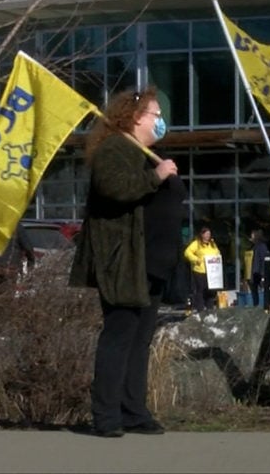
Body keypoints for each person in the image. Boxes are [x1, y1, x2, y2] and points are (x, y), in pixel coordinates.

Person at [68, 86, 179, 438]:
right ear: (135, 117)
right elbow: (115, 188)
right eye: (156, 115)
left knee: (140, 339)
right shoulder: (115, 148)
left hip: (151, 262)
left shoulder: (143, 151)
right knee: (120, 336)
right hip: (125, 261)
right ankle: (106, 415)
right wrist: (156, 176)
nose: (161, 121)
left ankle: (133, 411)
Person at [0, 223, 36, 298]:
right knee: (8, 293)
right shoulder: (16, 226)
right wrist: (30, 265)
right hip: (10, 265)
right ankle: (5, 305)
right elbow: (28, 249)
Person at [183, 226, 221, 311]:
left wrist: (218, 258)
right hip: (200, 270)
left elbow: (217, 252)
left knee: (211, 290)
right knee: (201, 289)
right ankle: (200, 308)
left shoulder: (212, 244)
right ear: (202, 234)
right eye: (206, 234)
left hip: (211, 271)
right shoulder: (196, 243)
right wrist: (196, 259)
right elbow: (187, 252)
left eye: (209, 234)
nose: (208, 235)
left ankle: (210, 308)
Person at [248, 229, 269, 309]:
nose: (251, 237)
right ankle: (256, 305)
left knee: (259, 288)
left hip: (259, 271)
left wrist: (263, 274)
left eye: (252, 236)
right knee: (254, 289)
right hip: (255, 271)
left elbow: (263, 260)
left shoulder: (261, 246)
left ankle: (262, 306)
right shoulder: (254, 246)